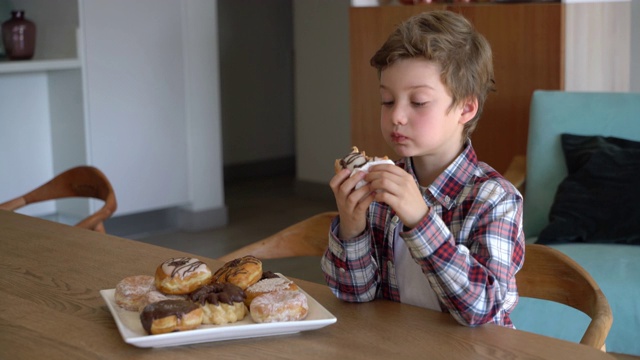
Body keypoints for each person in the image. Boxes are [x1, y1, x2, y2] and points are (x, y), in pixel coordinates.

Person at [321, 10, 525, 328]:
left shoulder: (495, 198)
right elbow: (354, 296)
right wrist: (351, 229)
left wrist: (420, 220)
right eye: (387, 101)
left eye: (418, 102)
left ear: (466, 108)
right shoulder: (380, 188)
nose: (397, 116)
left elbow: (482, 312)